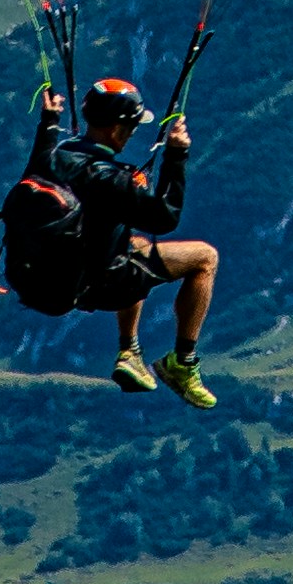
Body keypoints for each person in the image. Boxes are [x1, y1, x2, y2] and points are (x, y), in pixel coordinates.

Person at [33, 73, 219, 405]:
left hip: (46, 280)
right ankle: (183, 362)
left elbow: (42, 157)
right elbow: (165, 217)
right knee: (205, 258)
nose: (133, 132)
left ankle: (130, 351)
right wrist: (176, 156)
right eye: (132, 126)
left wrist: (49, 121)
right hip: (97, 283)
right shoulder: (111, 179)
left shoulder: (53, 158)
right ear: (117, 128)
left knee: (136, 244)